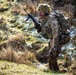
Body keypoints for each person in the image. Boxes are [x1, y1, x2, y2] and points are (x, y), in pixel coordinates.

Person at [28, 3, 62, 71]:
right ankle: (50, 70)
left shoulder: (53, 21)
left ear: (46, 12)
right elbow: (38, 28)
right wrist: (35, 23)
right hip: (51, 39)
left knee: (53, 55)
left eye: (42, 11)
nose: (39, 13)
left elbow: (56, 33)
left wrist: (55, 46)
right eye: (39, 10)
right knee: (50, 56)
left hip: (58, 39)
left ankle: (56, 71)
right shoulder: (42, 19)